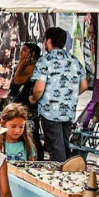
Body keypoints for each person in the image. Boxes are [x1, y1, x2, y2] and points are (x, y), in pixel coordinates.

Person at [29, 27, 87, 162]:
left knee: (56, 148)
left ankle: (61, 176)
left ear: (48, 41)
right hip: (68, 111)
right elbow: (84, 85)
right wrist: (69, 95)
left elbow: (38, 89)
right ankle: (69, 171)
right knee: (64, 145)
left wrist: (33, 99)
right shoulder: (74, 60)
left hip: (50, 112)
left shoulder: (45, 61)